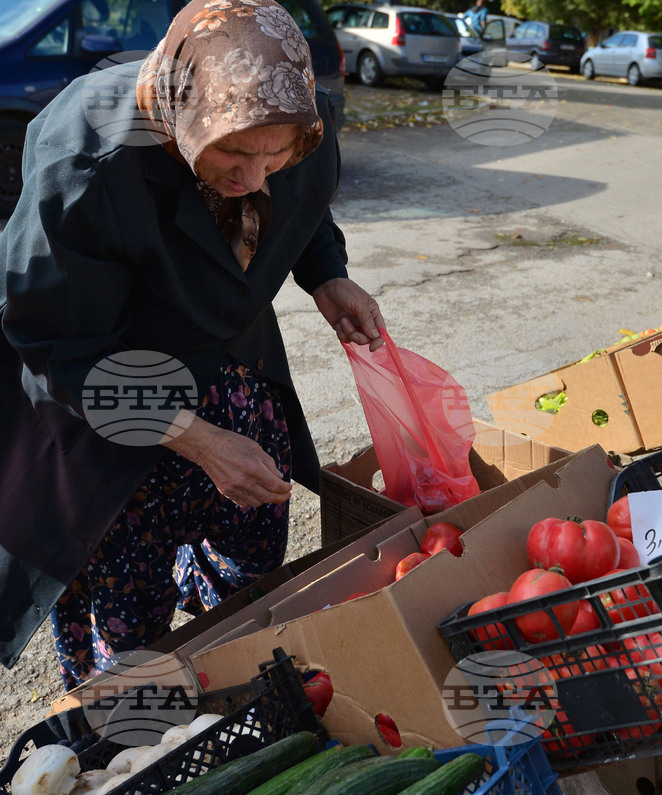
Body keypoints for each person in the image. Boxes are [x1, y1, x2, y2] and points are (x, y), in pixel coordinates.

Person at [0, 0, 384, 688]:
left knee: (251, 580)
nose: (253, 178)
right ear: (181, 114)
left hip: (229, 362)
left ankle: (231, 678)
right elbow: (55, 345)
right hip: (109, 414)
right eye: (233, 153)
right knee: (128, 634)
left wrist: (327, 275)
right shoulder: (89, 159)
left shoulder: (289, 115)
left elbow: (301, 202)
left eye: (274, 157)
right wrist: (200, 440)